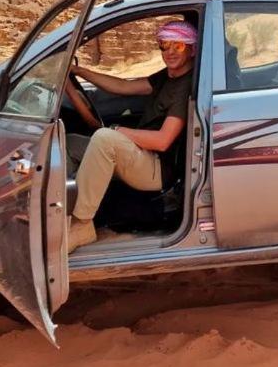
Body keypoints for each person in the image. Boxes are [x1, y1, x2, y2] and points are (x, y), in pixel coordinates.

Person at [65, 20, 197, 249]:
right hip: (140, 154)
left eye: (179, 46)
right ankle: (64, 210)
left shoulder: (187, 85)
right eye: (165, 45)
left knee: (105, 138)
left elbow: (163, 141)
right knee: (68, 143)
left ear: (192, 49)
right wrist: (79, 71)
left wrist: (119, 131)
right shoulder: (167, 76)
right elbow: (123, 87)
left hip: (156, 168)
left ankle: (81, 224)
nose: (170, 52)